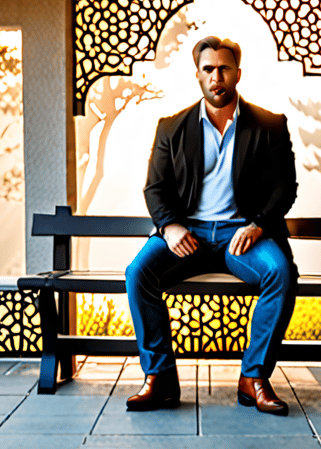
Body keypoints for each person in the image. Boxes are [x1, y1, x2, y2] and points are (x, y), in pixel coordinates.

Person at [125, 36, 298, 415]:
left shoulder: (270, 125)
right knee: (138, 272)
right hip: (189, 236)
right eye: (208, 70)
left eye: (223, 69)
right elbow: (155, 187)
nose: (216, 77)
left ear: (237, 73)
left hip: (244, 237)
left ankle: (253, 379)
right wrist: (169, 226)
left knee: (281, 273)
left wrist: (258, 225)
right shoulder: (171, 127)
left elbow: (285, 188)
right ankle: (161, 378)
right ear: (198, 76)